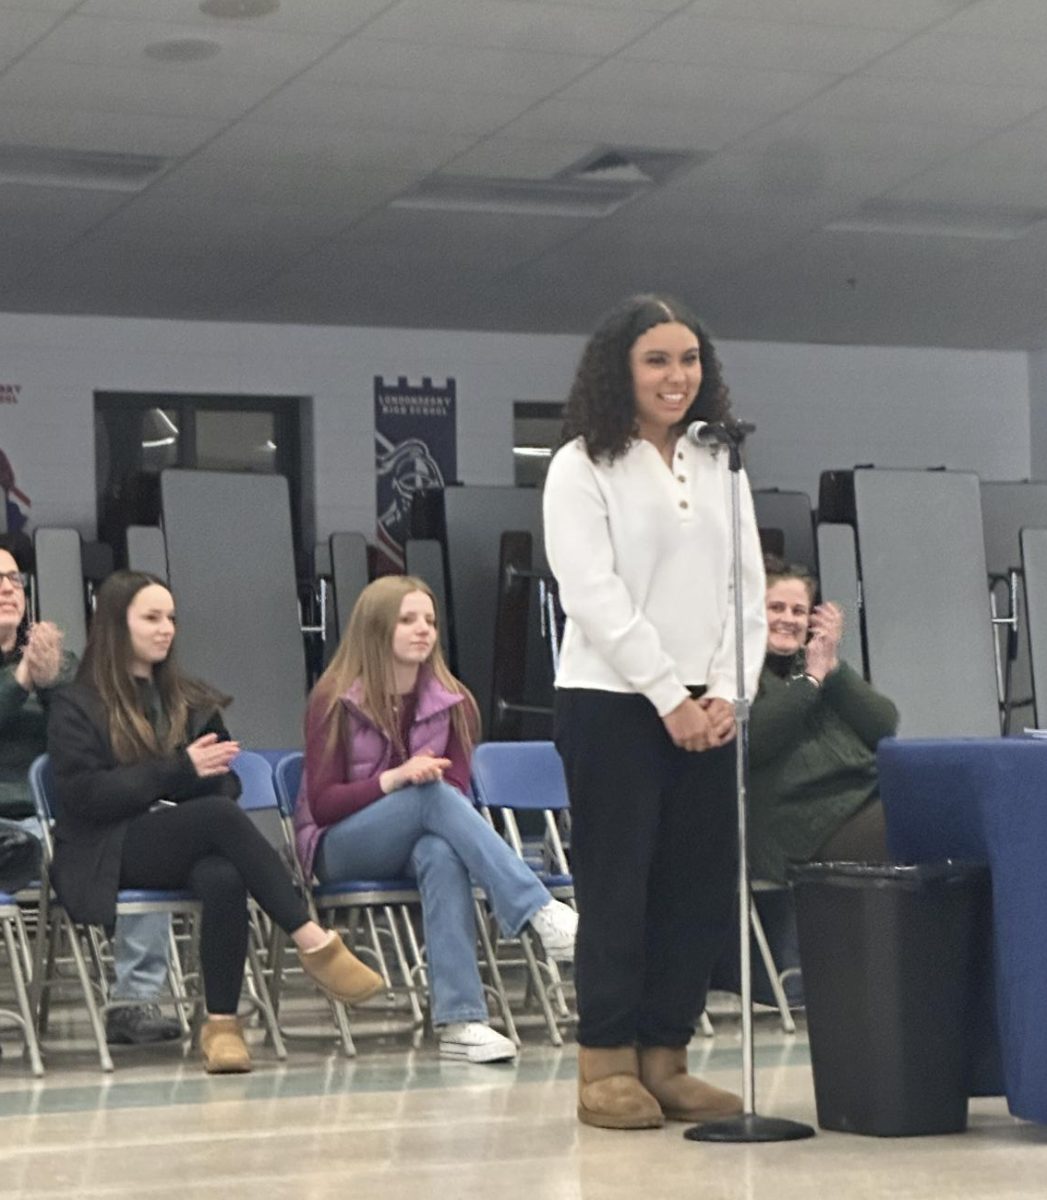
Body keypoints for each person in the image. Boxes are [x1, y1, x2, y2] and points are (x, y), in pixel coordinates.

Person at [543, 293, 767, 1130]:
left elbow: (745, 584)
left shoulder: (719, 461)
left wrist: (727, 693)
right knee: (620, 884)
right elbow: (593, 595)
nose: (678, 377)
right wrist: (669, 696)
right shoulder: (580, 464)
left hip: (707, 705)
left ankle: (664, 1054)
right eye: (657, 361)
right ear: (621, 371)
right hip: (612, 704)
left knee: (696, 888)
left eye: (688, 360)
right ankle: (604, 1062)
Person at [47, 570, 385, 1074]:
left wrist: (185, 782)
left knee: (223, 876)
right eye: (151, 618)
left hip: (177, 838)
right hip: (103, 850)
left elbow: (226, 783)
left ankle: (222, 1025)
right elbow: (86, 796)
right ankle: (310, 938)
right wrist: (177, 772)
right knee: (217, 819)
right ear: (118, 626)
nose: (166, 629)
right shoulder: (77, 704)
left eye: (171, 618)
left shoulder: (189, 700)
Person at [295, 574, 578, 1064]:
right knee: (428, 794)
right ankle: (538, 909)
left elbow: (458, 795)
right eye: (407, 620)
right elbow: (323, 804)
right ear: (376, 629)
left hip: (418, 838)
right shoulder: (334, 699)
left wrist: (415, 786)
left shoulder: (456, 702)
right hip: (339, 846)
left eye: (429, 620)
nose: (423, 630)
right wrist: (396, 779)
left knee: (442, 850)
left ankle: (460, 1020)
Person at [0, 535, 180, 1046]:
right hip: (7, 820)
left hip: (63, 820)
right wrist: (22, 680)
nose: (8, 589)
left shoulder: (55, 660)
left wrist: (52, 677)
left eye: (14, 579)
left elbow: (90, 731)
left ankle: (134, 1001)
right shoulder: (27, 669)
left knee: (139, 835)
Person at [748, 556, 899, 884]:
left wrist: (833, 669)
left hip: (868, 796)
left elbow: (884, 725)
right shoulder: (739, 674)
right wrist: (811, 680)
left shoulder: (819, 666)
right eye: (777, 608)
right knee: (922, 824)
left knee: (961, 812)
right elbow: (757, 737)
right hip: (805, 824)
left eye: (799, 611)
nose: (788, 619)